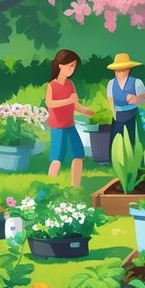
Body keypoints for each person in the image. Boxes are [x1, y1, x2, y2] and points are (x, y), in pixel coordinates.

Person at [45, 49, 93, 189]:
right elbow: (50, 103)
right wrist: (68, 100)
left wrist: (87, 111)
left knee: (78, 155)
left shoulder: (70, 84)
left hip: (70, 125)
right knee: (57, 159)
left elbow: (75, 105)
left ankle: (75, 187)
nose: (72, 69)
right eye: (70, 65)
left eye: (74, 66)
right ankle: (49, 187)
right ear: (60, 65)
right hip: (58, 127)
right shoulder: (52, 85)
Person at [106, 52, 145, 147]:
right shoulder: (111, 83)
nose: (120, 73)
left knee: (133, 142)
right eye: (118, 70)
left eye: (123, 70)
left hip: (133, 115)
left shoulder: (137, 82)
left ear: (129, 69)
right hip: (117, 117)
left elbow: (144, 99)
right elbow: (110, 101)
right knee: (116, 144)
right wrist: (114, 115)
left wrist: (137, 100)